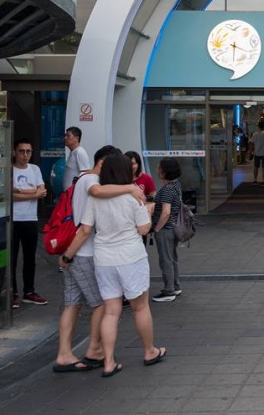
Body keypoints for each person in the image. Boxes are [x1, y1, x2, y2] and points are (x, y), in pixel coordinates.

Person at [64, 152, 165, 377]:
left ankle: (108, 361)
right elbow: (144, 229)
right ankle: (149, 351)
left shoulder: (96, 198)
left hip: (104, 259)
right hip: (131, 257)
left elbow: (86, 229)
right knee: (140, 306)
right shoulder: (134, 196)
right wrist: (148, 211)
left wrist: (68, 255)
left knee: (111, 311)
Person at [53, 145, 145, 372]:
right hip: (84, 253)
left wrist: (67, 256)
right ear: (103, 163)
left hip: (76, 253)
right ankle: (94, 349)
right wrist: (130, 189)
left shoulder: (86, 180)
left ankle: (64, 353)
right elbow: (96, 197)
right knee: (104, 304)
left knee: (72, 304)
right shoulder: (89, 181)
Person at [10, 138, 48, 309]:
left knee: (30, 258)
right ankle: (12, 293)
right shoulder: (9, 170)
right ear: (14, 152)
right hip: (13, 220)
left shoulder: (35, 169)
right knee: (11, 258)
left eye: (28, 151)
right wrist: (33, 193)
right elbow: (9, 196)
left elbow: (43, 191)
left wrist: (19, 191)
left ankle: (29, 291)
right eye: (21, 151)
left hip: (30, 219)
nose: (25, 155)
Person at [150, 158, 183, 302]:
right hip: (173, 227)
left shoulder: (167, 189)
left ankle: (169, 290)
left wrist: (157, 228)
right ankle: (175, 286)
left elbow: (166, 212)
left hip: (165, 229)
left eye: (159, 168)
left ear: (165, 171)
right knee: (172, 258)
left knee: (166, 260)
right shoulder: (175, 185)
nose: (158, 171)